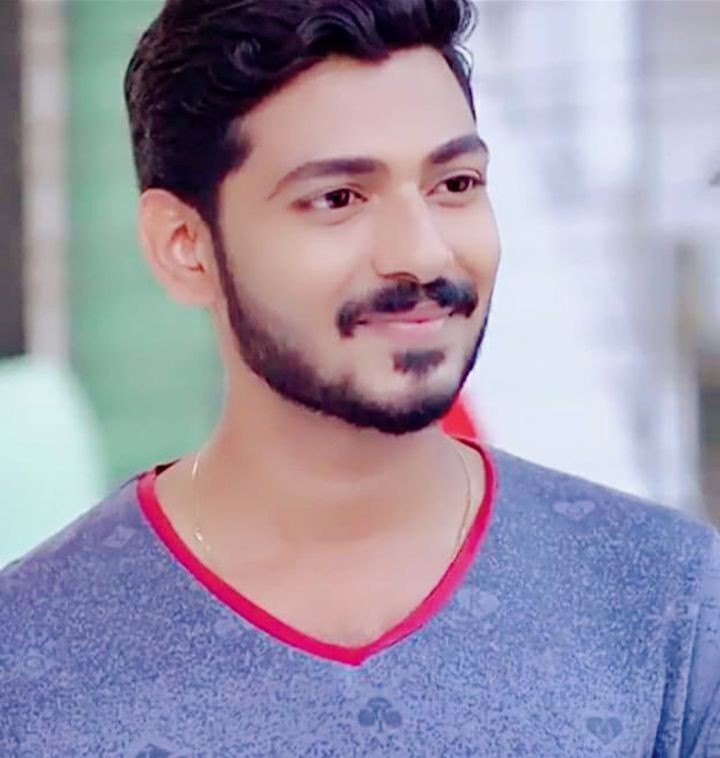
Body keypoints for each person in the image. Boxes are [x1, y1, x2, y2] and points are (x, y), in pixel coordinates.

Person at [2, 1, 719, 755]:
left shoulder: (666, 603)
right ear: (185, 245)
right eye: (338, 198)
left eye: (455, 184)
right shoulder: (30, 660)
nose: (424, 254)